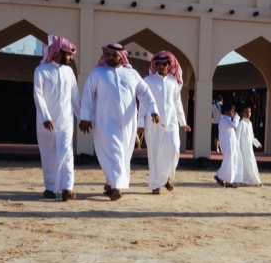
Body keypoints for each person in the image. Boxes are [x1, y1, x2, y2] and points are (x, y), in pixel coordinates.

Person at [79, 43, 160, 201]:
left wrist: (153, 110)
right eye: (108, 54)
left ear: (121, 56)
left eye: (114, 55)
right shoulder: (97, 73)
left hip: (127, 123)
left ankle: (110, 184)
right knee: (115, 152)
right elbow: (87, 95)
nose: (110, 57)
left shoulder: (132, 74)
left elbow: (145, 93)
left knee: (123, 154)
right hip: (105, 122)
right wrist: (85, 117)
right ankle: (116, 188)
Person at [33, 35, 81, 201]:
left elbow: (75, 97)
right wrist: (45, 116)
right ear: (57, 53)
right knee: (49, 153)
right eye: (68, 54)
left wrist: (82, 117)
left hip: (66, 121)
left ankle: (68, 188)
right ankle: (50, 187)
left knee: (67, 152)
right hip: (46, 122)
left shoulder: (69, 72)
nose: (70, 57)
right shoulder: (41, 71)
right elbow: (38, 95)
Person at [143, 51, 191, 195]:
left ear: (169, 65)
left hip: (171, 123)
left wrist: (183, 122)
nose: (160, 66)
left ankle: (167, 177)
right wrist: (140, 124)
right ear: (154, 65)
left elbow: (177, 103)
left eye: (164, 64)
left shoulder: (173, 82)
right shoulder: (148, 81)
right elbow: (144, 103)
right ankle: (155, 184)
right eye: (158, 64)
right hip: (153, 123)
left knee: (175, 148)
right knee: (155, 152)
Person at [214, 102, 241, 188]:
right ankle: (221, 176)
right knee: (228, 162)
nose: (233, 113)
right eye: (231, 111)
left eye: (233, 111)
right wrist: (237, 117)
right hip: (227, 145)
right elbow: (235, 125)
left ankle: (227, 179)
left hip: (231, 144)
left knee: (231, 162)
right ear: (226, 111)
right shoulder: (224, 120)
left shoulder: (228, 120)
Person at [237, 105, 263, 186]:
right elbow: (237, 137)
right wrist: (237, 149)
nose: (248, 113)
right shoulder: (241, 124)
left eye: (250, 111)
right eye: (246, 112)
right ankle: (252, 181)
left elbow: (251, 136)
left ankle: (250, 181)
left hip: (249, 149)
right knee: (245, 165)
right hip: (242, 149)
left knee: (250, 163)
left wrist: (257, 144)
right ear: (242, 113)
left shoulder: (250, 123)